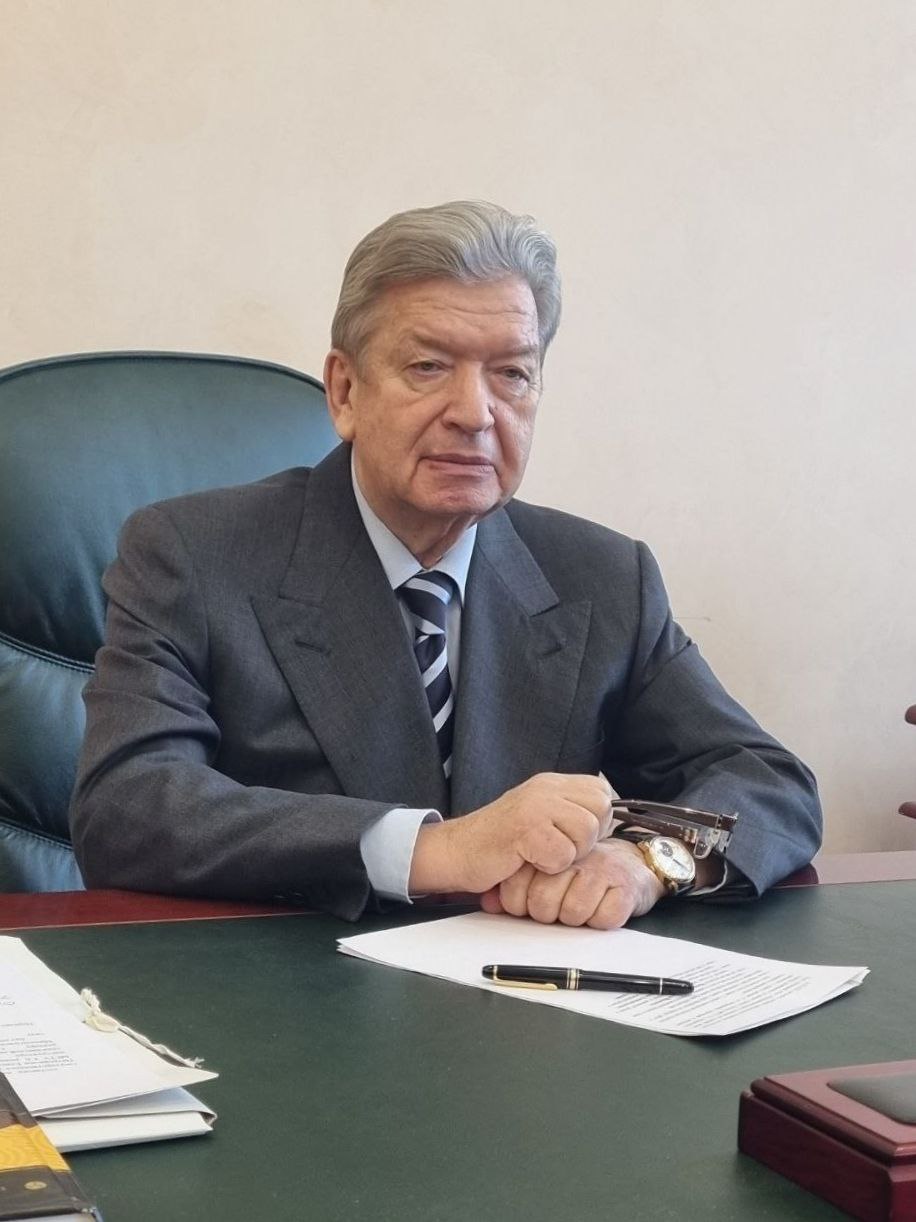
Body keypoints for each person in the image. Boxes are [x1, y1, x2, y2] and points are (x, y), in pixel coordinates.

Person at [69, 200, 822, 926]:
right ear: (345, 391)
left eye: (512, 374)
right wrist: (437, 850)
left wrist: (647, 861)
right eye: (429, 366)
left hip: (520, 998)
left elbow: (769, 783)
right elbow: (126, 808)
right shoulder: (194, 554)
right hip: (287, 988)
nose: (474, 412)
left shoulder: (602, 576)